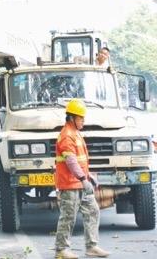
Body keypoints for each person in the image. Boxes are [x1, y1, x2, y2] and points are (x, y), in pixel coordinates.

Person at [54, 99, 109, 259]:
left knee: (92, 211)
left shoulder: (76, 134)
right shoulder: (66, 136)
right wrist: (83, 179)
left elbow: (79, 160)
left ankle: (92, 246)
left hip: (80, 182)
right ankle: (61, 250)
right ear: (72, 118)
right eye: (81, 118)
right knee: (68, 217)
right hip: (70, 183)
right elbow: (70, 161)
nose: (84, 121)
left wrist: (88, 175)